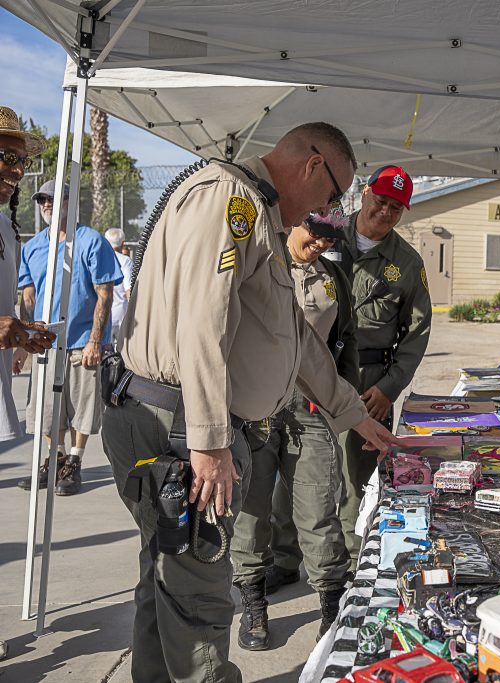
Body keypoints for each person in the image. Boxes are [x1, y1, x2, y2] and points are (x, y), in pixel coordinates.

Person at [101, 122, 396, 682]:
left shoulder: (256, 211)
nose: (329, 210)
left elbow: (294, 338)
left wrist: (353, 413)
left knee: (166, 585)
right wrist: (209, 442)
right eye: (333, 194)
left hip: (180, 421)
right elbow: (202, 321)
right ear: (312, 166)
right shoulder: (231, 201)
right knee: (201, 600)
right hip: (181, 427)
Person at [270, 163, 431, 574]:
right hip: (306, 377)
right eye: (380, 200)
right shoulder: (324, 233)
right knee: (294, 471)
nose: (385, 211)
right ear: (364, 195)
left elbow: (416, 334)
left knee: (359, 483)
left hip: (369, 385)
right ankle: (286, 558)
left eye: (396, 207)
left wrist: (390, 388)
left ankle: (356, 567)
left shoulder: (407, 264)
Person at [231, 209, 360, 650]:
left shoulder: (332, 277)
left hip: (311, 407)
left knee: (318, 509)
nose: (322, 241)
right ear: (293, 224)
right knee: (251, 511)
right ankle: (253, 606)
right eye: (316, 231)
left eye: (331, 235)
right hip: (256, 408)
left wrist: (345, 401)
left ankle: (330, 608)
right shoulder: (260, 262)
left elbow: (343, 343)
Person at [16, 178, 122, 496]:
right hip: (44, 343)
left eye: (54, 198)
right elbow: (27, 296)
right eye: (42, 200)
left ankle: (74, 462)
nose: (46, 204)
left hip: (81, 344)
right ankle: (55, 457)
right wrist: (22, 342)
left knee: (82, 407)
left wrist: (95, 340)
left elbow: (104, 294)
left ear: (70, 202)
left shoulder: (91, 241)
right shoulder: (34, 247)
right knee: (48, 409)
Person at [0, 107, 58, 662]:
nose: (15, 169)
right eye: (5, 155)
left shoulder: (5, 223)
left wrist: (20, 334)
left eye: (19, 159)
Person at [103, 227, 133, 342]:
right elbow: (128, 289)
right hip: (121, 313)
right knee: (122, 351)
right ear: (123, 243)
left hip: (103, 313)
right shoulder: (125, 261)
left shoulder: (100, 259)